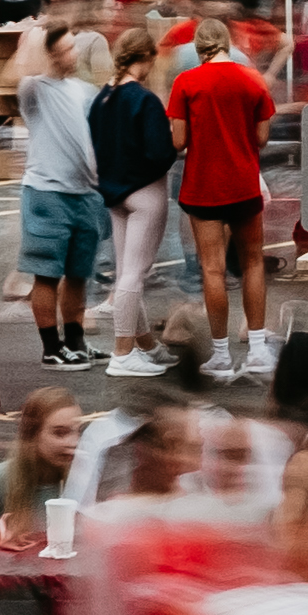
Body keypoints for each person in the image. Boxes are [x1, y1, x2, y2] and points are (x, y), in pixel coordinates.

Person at [167, 15, 281, 379]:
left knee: (212, 269)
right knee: (252, 263)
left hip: (203, 186)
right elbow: (262, 137)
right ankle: (259, 349)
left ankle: (220, 355)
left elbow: (179, 142)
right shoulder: (252, 80)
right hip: (243, 183)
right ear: (229, 45)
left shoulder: (186, 82)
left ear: (199, 48)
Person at [15, 26, 110, 370]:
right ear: (51, 54)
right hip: (46, 194)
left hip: (85, 195)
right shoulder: (34, 89)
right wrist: (35, 35)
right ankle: (51, 347)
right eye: (67, 49)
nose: (75, 54)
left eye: (74, 47)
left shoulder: (83, 91)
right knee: (47, 275)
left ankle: (75, 341)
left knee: (78, 274)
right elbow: (20, 68)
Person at [96, 27, 187, 376]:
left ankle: (145, 343)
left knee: (125, 271)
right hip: (146, 192)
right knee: (135, 274)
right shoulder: (145, 99)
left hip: (114, 191)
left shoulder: (103, 96)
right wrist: (174, 147)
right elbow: (160, 151)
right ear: (146, 58)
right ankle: (122, 352)